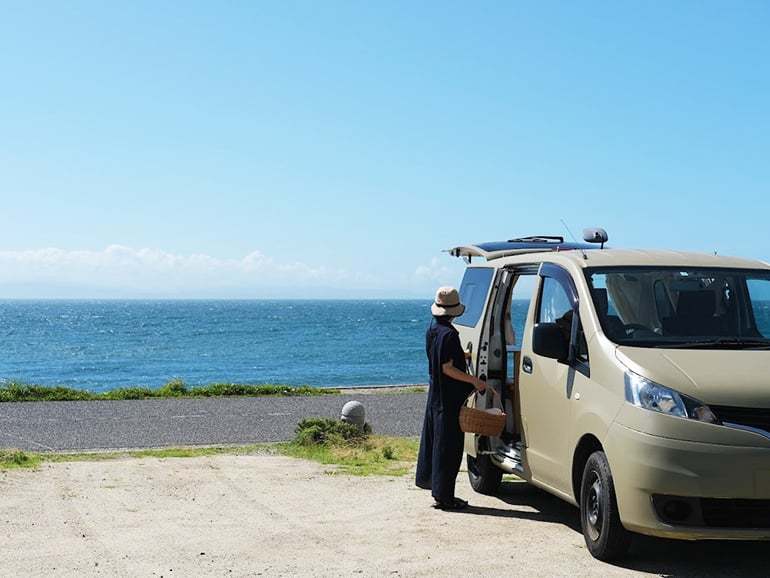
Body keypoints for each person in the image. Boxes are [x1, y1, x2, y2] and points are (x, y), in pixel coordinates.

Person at [415, 286, 488, 510]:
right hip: (448, 397)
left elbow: (439, 359)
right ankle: (445, 496)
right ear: (454, 311)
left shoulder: (433, 330)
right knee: (449, 446)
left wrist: (461, 355)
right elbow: (448, 368)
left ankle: (438, 491)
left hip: (435, 394)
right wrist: (474, 381)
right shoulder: (450, 334)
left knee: (437, 442)